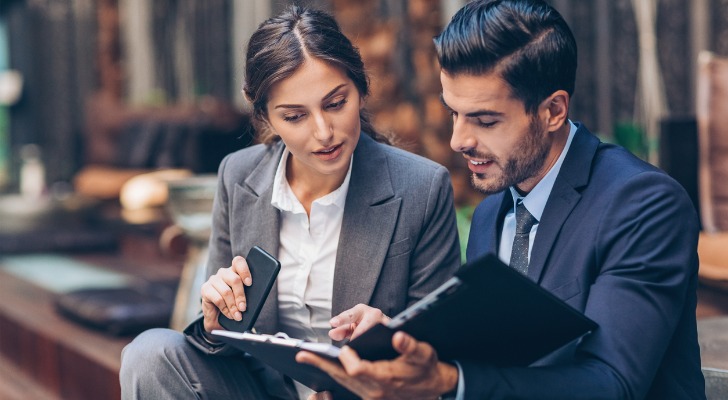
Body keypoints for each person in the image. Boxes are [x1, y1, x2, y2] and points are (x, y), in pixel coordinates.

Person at [298, 0, 706, 399]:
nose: (459, 140)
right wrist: (400, 346)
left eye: (485, 120)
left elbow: (611, 383)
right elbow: (498, 359)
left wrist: (448, 380)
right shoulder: (492, 211)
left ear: (553, 111)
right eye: (453, 113)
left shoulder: (644, 205)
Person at [118, 5, 461, 400]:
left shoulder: (421, 186)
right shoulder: (238, 176)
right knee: (148, 354)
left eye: (335, 104)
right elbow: (222, 341)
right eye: (295, 116)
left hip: (363, 394)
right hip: (261, 391)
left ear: (361, 88)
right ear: (265, 115)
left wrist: (391, 334)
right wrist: (214, 322)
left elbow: (441, 355)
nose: (323, 132)